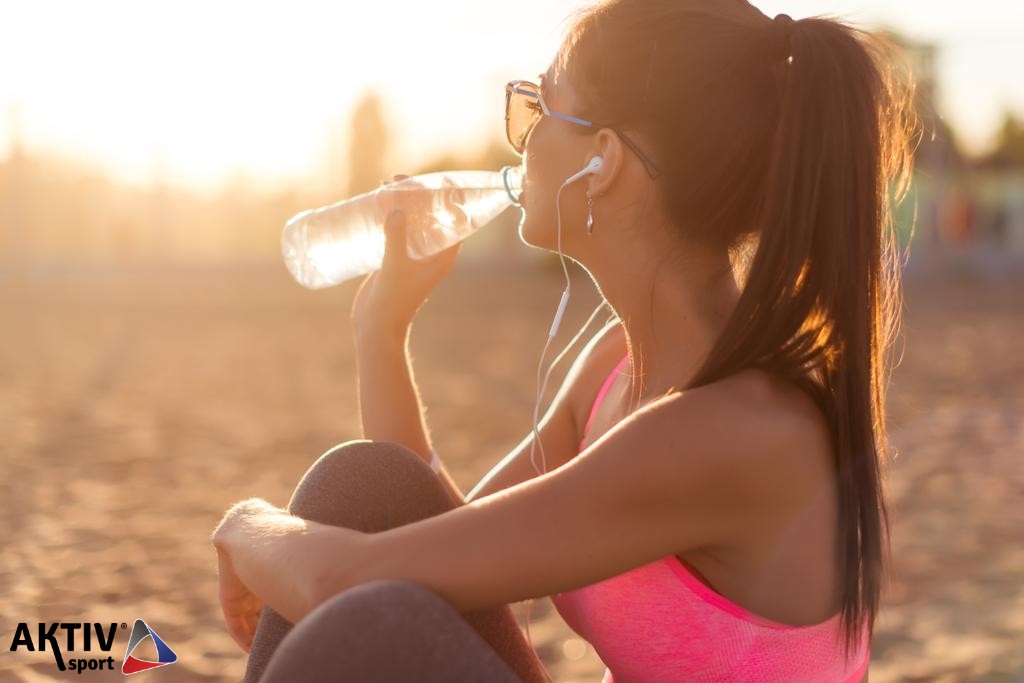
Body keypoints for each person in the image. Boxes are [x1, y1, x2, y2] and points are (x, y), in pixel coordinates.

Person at [211, 0, 917, 680]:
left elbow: (348, 582)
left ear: (601, 159)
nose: (521, 134)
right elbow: (437, 541)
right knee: (364, 484)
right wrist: (382, 324)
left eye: (540, 106)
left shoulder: (733, 430)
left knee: (373, 620)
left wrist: (245, 526)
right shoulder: (616, 362)